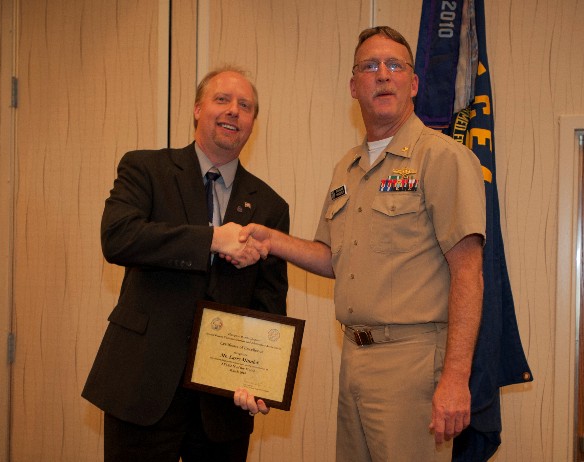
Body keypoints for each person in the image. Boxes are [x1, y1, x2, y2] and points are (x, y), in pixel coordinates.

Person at [238, 26, 486, 462]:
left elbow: (468, 270)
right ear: (354, 86)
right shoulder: (347, 168)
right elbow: (333, 258)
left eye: (395, 65)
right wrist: (271, 239)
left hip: (413, 363)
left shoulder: (442, 157)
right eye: (370, 66)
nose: (383, 75)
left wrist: (456, 377)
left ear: (413, 83)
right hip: (354, 355)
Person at [82, 66, 289, 462]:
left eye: (245, 106)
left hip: (223, 403)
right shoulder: (146, 169)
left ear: (252, 123)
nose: (233, 111)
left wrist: (259, 377)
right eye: (222, 99)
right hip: (142, 386)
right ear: (197, 109)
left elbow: (269, 301)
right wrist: (213, 239)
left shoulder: (270, 205)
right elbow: (119, 237)